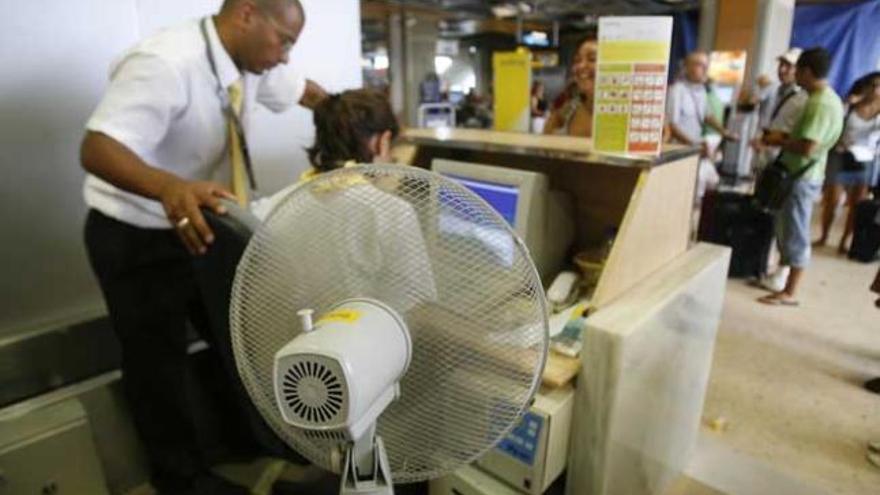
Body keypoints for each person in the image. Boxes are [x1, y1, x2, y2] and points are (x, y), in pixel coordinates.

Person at [79, 1, 327, 493]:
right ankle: (181, 479)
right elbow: (98, 148)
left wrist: (352, 115)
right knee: (158, 362)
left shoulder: (254, 58)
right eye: (285, 41)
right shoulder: (165, 62)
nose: (285, 57)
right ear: (246, 15)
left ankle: (250, 440)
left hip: (201, 221)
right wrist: (170, 188)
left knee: (237, 338)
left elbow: (306, 92)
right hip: (137, 232)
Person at [758, 47, 844, 306]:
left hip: (801, 175)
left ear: (806, 71)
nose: (791, 74)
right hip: (799, 174)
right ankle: (781, 279)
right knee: (787, 228)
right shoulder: (824, 98)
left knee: (796, 231)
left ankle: (790, 291)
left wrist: (778, 141)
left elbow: (808, 147)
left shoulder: (819, 103)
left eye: (795, 69)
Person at [751, 49, 809, 291]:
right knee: (769, 215)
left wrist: (770, 141)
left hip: (784, 164)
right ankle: (766, 264)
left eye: (789, 66)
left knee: (787, 221)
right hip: (768, 161)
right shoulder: (775, 92)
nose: (783, 69)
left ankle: (783, 271)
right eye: (782, 64)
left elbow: (791, 133)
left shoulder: (803, 98)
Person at [814, 71, 880, 253]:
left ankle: (845, 240)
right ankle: (824, 235)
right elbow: (835, 125)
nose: (875, 89)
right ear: (865, 87)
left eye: (879, 86)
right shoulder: (851, 106)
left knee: (857, 203)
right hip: (841, 154)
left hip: (866, 159)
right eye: (872, 85)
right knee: (832, 199)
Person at [666, 51, 737, 149]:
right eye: (700, 65)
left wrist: (725, 132)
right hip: (678, 148)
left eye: (706, 66)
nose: (705, 70)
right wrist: (695, 146)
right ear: (686, 68)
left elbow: (707, 115)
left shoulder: (701, 90)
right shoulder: (677, 90)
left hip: (693, 148)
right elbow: (672, 126)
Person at [544, 38, 596, 137]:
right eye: (577, 60)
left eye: (592, 59)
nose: (581, 66)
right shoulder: (567, 112)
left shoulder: (631, 118)